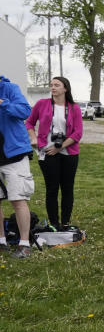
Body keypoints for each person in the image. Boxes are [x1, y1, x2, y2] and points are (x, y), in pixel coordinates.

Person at [25, 76, 83, 229]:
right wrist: (33, 138)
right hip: (46, 152)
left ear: (65, 88)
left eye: (57, 85)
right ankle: (54, 223)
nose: (53, 88)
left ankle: (65, 222)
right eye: (51, 85)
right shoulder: (42, 104)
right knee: (52, 188)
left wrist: (60, 146)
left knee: (67, 188)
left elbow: (78, 133)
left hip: (69, 153)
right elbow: (29, 122)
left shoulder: (73, 107)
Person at [0, 75, 36, 258]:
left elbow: (24, 111)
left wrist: (2, 103)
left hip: (14, 153)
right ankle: (1, 241)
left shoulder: (10, 89)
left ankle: (24, 244)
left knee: (17, 199)